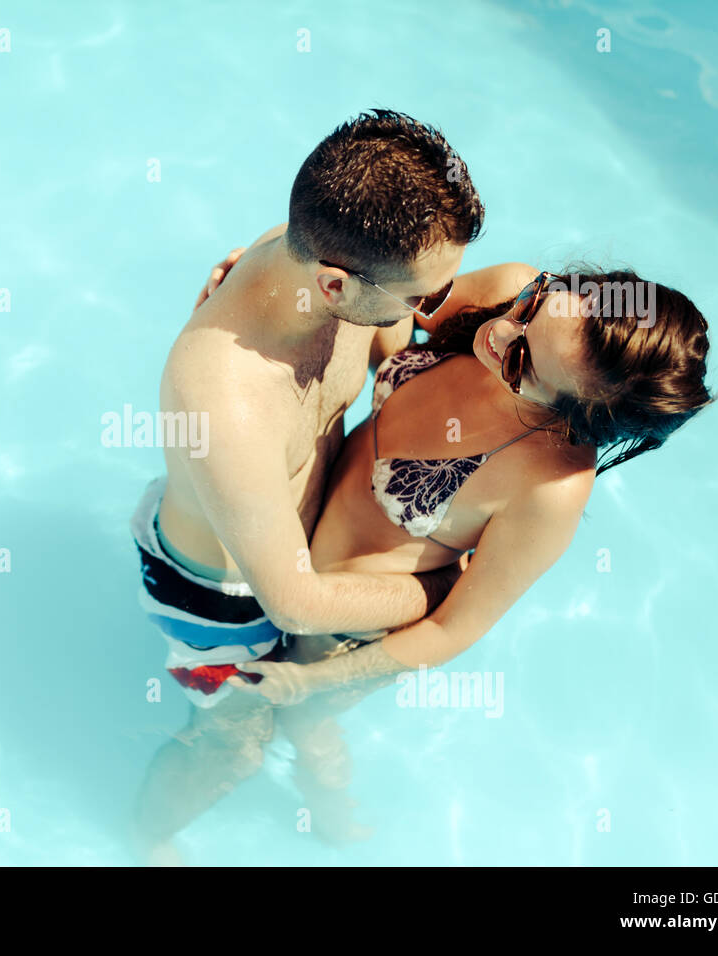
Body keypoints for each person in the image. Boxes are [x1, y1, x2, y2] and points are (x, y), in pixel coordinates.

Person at [226, 261, 717, 839]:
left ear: (573, 419)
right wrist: (261, 282)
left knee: (302, 727)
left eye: (522, 362)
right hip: (297, 521)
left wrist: (310, 685)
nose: (501, 331)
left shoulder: (547, 488)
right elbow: (386, 304)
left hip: (347, 621)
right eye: (537, 304)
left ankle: (332, 814)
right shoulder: (507, 292)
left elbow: (454, 629)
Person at [129, 109, 484, 863]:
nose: (434, 307)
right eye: (423, 295)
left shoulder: (324, 259)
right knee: (234, 747)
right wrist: (448, 587)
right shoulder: (225, 397)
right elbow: (292, 600)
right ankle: (148, 835)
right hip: (220, 598)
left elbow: (390, 339)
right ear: (333, 283)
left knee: (304, 711)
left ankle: (317, 774)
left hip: (282, 535)